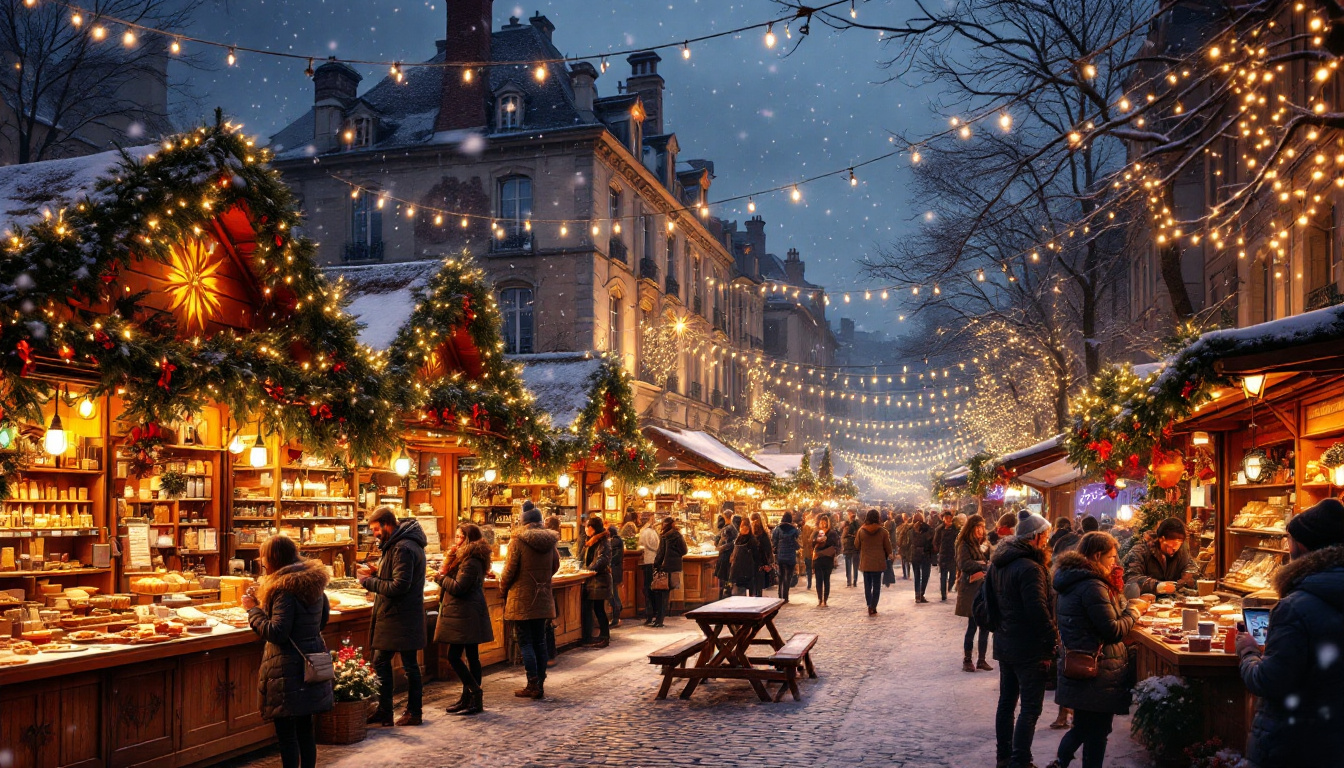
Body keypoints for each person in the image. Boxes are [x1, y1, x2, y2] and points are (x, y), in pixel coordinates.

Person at [1236, 498, 1344, 768]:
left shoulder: (1295, 607)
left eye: (1289, 541)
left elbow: (1270, 681)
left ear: (1303, 546)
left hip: (1296, 742)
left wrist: (1248, 651)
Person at [1045, 531, 1144, 768]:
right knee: (1095, 730)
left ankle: (1060, 763)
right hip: (1097, 669)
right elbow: (1112, 629)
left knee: (1085, 727)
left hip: (1083, 664)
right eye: (1111, 557)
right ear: (1097, 556)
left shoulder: (1073, 579)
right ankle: (1062, 763)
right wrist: (1135, 611)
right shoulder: (1092, 585)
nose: (1114, 562)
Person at [242, 535, 331, 768]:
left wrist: (253, 611)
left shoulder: (283, 589)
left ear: (273, 558)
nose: (261, 560)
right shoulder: (314, 582)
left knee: (286, 734)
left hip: (287, 668)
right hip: (308, 660)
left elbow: (277, 632)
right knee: (305, 729)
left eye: (264, 555)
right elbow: (322, 620)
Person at [992, 511, 1057, 768]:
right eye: (1046, 535)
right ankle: (1021, 761)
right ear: (1037, 537)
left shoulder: (1000, 562)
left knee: (1007, 703)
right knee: (1030, 708)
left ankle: (1004, 757)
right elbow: (1037, 610)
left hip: (1005, 641)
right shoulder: (1030, 568)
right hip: (1028, 647)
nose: (1048, 540)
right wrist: (1051, 640)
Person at [356, 506, 426, 727]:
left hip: (399, 616)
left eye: (376, 529)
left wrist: (369, 582)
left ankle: (409, 712)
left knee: (400, 664)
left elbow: (399, 586)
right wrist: (379, 572)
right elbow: (399, 577)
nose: (375, 534)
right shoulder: (398, 544)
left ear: (387, 524)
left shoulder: (402, 547)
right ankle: (388, 711)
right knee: (397, 662)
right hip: (400, 615)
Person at [499, 505, 560, 700]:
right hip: (542, 597)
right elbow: (555, 565)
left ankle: (532, 683)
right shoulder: (550, 542)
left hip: (522, 598)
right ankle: (540, 682)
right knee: (540, 641)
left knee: (525, 641)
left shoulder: (517, 541)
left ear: (523, 522)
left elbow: (509, 570)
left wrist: (503, 588)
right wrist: (543, 579)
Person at [435, 523, 493, 716]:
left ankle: (475, 694)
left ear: (469, 539)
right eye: (456, 536)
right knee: (472, 656)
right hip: (467, 613)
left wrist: (440, 577)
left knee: (454, 656)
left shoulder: (471, 561)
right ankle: (467, 697)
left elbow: (459, 587)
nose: (457, 540)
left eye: (460, 537)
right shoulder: (466, 557)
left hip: (466, 613)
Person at [954, 514, 993, 673]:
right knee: (972, 625)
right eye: (978, 527)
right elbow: (964, 564)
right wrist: (983, 565)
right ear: (971, 528)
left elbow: (990, 561)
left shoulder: (984, 544)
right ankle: (967, 659)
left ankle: (982, 659)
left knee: (985, 625)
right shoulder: (964, 544)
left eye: (983, 527)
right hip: (970, 589)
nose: (981, 530)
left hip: (983, 588)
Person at [1123, 517, 1198, 595]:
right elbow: (1131, 578)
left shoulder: (1181, 551)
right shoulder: (1140, 551)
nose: (1175, 547)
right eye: (1173, 543)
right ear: (1162, 539)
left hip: (1173, 601)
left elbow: (1191, 567)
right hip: (1146, 601)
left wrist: (1186, 578)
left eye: (1180, 543)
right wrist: (1157, 586)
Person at [854, 509, 894, 615]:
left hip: (866, 562)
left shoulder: (861, 531)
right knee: (876, 586)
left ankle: (869, 604)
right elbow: (888, 547)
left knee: (867, 585)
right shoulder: (883, 531)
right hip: (878, 562)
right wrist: (890, 555)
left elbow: (856, 545)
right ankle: (873, 606)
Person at [580, 516, 612, 648]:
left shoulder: (602, 542)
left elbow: (602, 560)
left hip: (599, 580)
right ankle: (599, 636)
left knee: (599, 609)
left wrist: (588, 570)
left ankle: (604, 637)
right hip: (593, 580)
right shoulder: (592, 541)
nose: (585, 529)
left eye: (587, 527)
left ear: (592, 528)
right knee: (596, 609)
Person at [651, 516, 687, 627]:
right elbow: (684, 550)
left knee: (662, 594)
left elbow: (660, 553)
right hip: (675, 568)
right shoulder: (678, 535)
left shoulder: (664, 537)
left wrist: (656, 565)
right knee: (667, 593)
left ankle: (659, 619)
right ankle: (661, 618)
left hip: (664, 568)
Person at [772, 512, 801, 602]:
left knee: (780, 576)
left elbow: (774, 541)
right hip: (791, 557)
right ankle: (786, 596)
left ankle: (780, 595)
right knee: (788, 577)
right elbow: (797, 544)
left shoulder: (777, 529)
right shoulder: (794, 530)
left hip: (780, 556)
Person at [812, 514, 840, 607]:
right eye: (821, 521)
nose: (823, 523)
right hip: (817, 559)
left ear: (828, 523)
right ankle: (820, 599)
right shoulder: (816, 532)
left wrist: (825, 541)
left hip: (827, 559)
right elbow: (811, 543)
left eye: (825, 522)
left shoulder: (832, 533)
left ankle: (825, 600)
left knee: (826, 580)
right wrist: (817, 540)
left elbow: (836, 545)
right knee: (818, 580)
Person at [909, 512, 935, 603]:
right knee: (925, 575)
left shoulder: (910, 529)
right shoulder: (928, 529)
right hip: (925, 554)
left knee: (917, 575)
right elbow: (931, 541)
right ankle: (922, 593)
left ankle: (917, 594)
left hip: (915, 554)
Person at [640, 513, 661, 621]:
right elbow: (657, 546)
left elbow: (643, 545)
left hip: (648, 561)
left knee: (649, 587)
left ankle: (651, 612)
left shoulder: (645, 532)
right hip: (653, 561)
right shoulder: (651, 532)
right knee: (653, 588)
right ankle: (655, 612)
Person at [730, 517, 759, 596]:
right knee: (744, 589)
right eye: (742, 526)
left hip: (742, 568)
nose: (743, 528)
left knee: (743, 588)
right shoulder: (741, 539)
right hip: (744, 568)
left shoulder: (744, 539)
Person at [936, 510, 961, 602]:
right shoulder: (939, 529)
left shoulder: (956, 529)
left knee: (953, 575)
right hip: (943, 554)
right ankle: (943, 594)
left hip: (953, 555)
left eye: (949, 518)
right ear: (943, 519)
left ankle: (949, 587)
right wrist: (938, 550)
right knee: (943, 575)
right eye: (946, 518)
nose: (948, 520)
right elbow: (936, 541)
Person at [714, 513, 739, 600]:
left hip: (725, 556)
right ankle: (726, 594)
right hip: (730, 556)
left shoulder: (727, 528)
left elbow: (719, 541)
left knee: (723, 578)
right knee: (728, 578)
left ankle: (722, 596)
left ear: (725, 517)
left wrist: (720, 546)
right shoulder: (734, 529)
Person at [749, 514, 775, 597]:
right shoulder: (764, 535)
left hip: (753, 563)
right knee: (760, 586)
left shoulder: (750, 535)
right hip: (761, 564)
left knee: (753, 586)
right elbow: (768, 550)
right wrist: (768, 564)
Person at [607, 519, 625, 628]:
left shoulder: (615, 542)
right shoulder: (617, 541)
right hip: (616, 570)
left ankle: (616, 616)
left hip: (613, 571)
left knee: (613, 594)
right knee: (614, 593)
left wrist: (608, 562)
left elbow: (615, 557)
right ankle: (617, 613)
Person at [841, 510, 861, 587]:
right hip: (854, 548)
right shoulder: (858, 524)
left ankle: (850, 581)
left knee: (849, 565)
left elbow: (843, 536)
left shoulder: (848, 525)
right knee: (854, 565)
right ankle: (853, 580)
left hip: (849, 548)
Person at [800, 511, 816, 590]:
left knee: (809, 568)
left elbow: (804, 540)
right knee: (812, 567)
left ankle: (809, 583)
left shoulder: (806, 527)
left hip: (809, 551)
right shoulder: (814, 527)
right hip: (813, 551)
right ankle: (811, 583)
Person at [896, 513, 913, 579]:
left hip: (902, 545)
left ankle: (905, 574)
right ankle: (907, 574)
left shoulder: (898, 528)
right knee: (907, 559)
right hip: (907, 544)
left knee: (903, 560)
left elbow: (897, 537)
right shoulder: (907, 526)